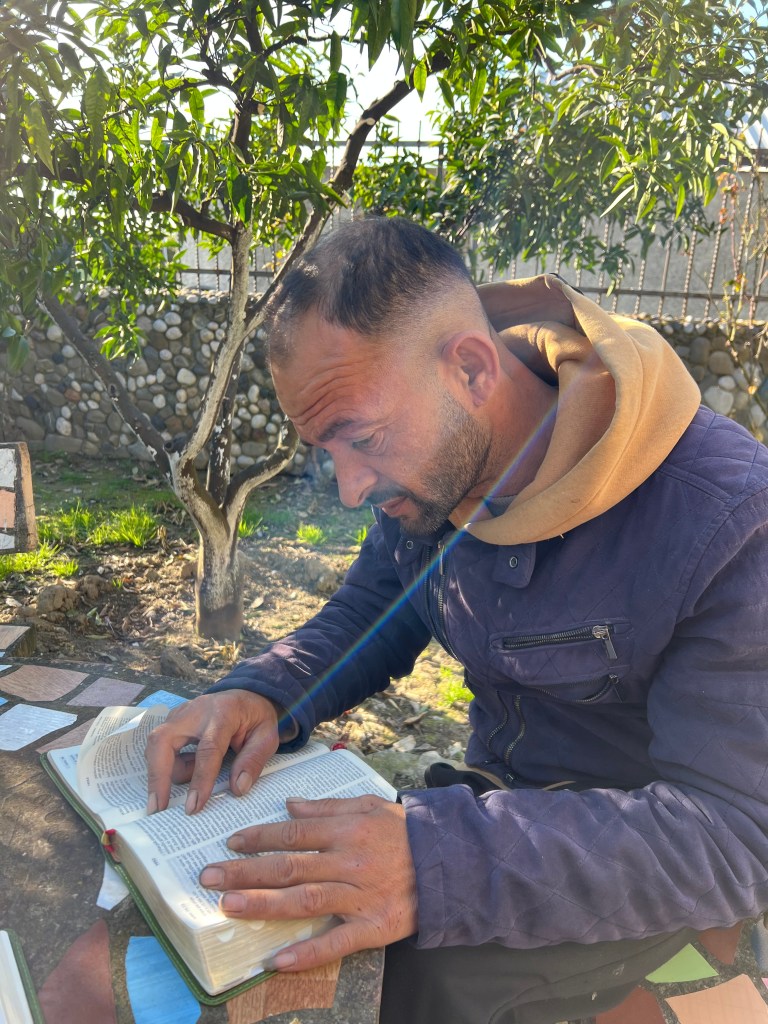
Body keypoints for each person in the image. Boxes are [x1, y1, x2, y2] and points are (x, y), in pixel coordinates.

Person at [145, 216, 768, 1024]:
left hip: (636, 875)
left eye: (361, 439)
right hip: (487, 816)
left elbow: (733, 836)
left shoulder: (728, 518)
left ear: (472, 369)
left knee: (379, 989)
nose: (348, 489)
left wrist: (432, 859)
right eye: (327, 451)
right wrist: (264, 692)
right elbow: (378, 606)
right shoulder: (438, 460)